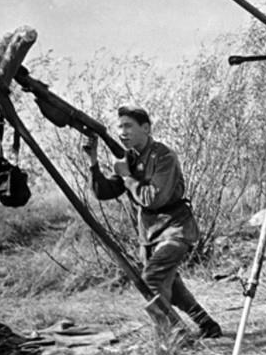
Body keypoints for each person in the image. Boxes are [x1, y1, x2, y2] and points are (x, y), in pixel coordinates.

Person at [83, 104, 222, 338]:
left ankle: (176, 336)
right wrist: (93, 162)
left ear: (146, 128)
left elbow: (153, 199)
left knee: (152, 280)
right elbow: (104, 192)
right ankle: (208, 325)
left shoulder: (164, 156)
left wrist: (127, 176)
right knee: (173, 287)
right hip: (150, 235)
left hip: (175, 229)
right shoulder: (129, 158)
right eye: (120, 127)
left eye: (128, 126)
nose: (122, 133)